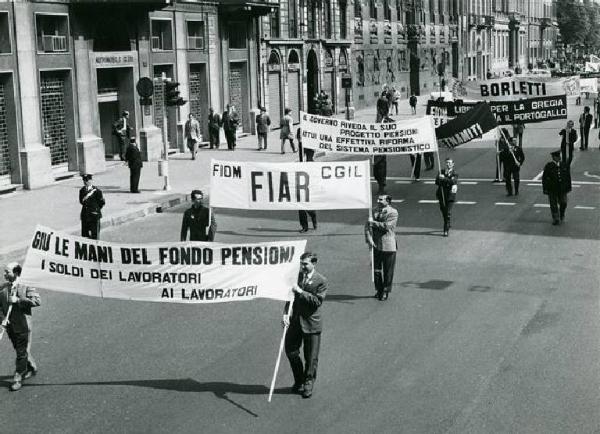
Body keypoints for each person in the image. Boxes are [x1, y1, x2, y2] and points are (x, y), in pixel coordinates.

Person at [282, 252, 328, 399]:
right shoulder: (296, 277)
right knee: (290, 350)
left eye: (305, 264)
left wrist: (301, 291)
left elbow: (317, 301)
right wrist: (285, 313)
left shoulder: (321, 280)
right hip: (295, 321)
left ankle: (308, 383)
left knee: (311, 357)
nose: (302, 267)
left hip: (311, 324)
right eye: (301, 263)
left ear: (314, 263)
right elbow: (289, 296)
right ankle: (299, 379)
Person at [0, 262, 41, 392]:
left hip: (23, 325)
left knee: (21, 352)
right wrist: (2, 320)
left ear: (16, 273)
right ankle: (31, 367)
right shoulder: (3, 288)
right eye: (5, 272)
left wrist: (18, 300)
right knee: (20, 349)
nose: (4, 274)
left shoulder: (26, 285)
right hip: (10, 326)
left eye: (7, 272)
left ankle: (18, 377)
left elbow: (37, 301)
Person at [364, 195, 398, 301]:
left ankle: (385, 291)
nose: (378, 201)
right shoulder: (373, 211)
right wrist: (369, 238)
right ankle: (379, 289)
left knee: (388, 271)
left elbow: (387, 226)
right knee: (376, 270)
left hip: (388, 246)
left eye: (381, 199)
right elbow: (367, 226)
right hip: (376, 245)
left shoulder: (393, 212)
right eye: (378, 199)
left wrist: (373, 223)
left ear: (388, 201)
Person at [542, 150, 572, 225]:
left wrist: (569, 187)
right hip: (552, 188)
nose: (559, 157)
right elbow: (544, 178)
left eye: (559, 156)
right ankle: (556, 218)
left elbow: (568, 177)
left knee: (564, 202)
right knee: (553, 204)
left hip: (562, 188)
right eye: (557, 156)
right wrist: (545, 188)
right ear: (554, 157)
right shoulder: (549, 166)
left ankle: (562, 213)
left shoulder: (563, 165)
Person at [435, 158, 458, 237]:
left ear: (453, 164)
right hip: (442, 195)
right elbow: (436, 182)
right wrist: (439, 178)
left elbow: (453, 181)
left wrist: (444, 178)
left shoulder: (455, 173)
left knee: (448, 212)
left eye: (450, 163)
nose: (448, 164)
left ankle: (446, 229)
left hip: (450, 195)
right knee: (444, 212)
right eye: (447, 163)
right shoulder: (441, 171)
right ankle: (448, 223)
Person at [79, 174, 105, 240]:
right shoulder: (82, 190)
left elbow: (101, 203)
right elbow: (81, 201)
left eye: (87, 180)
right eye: (84, 180)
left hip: (94, 215)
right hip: (85, 215)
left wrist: (95, 209)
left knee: (95, 236)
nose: (85, 182)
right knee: (85, 236)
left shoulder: (97, 191)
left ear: (91, 180)